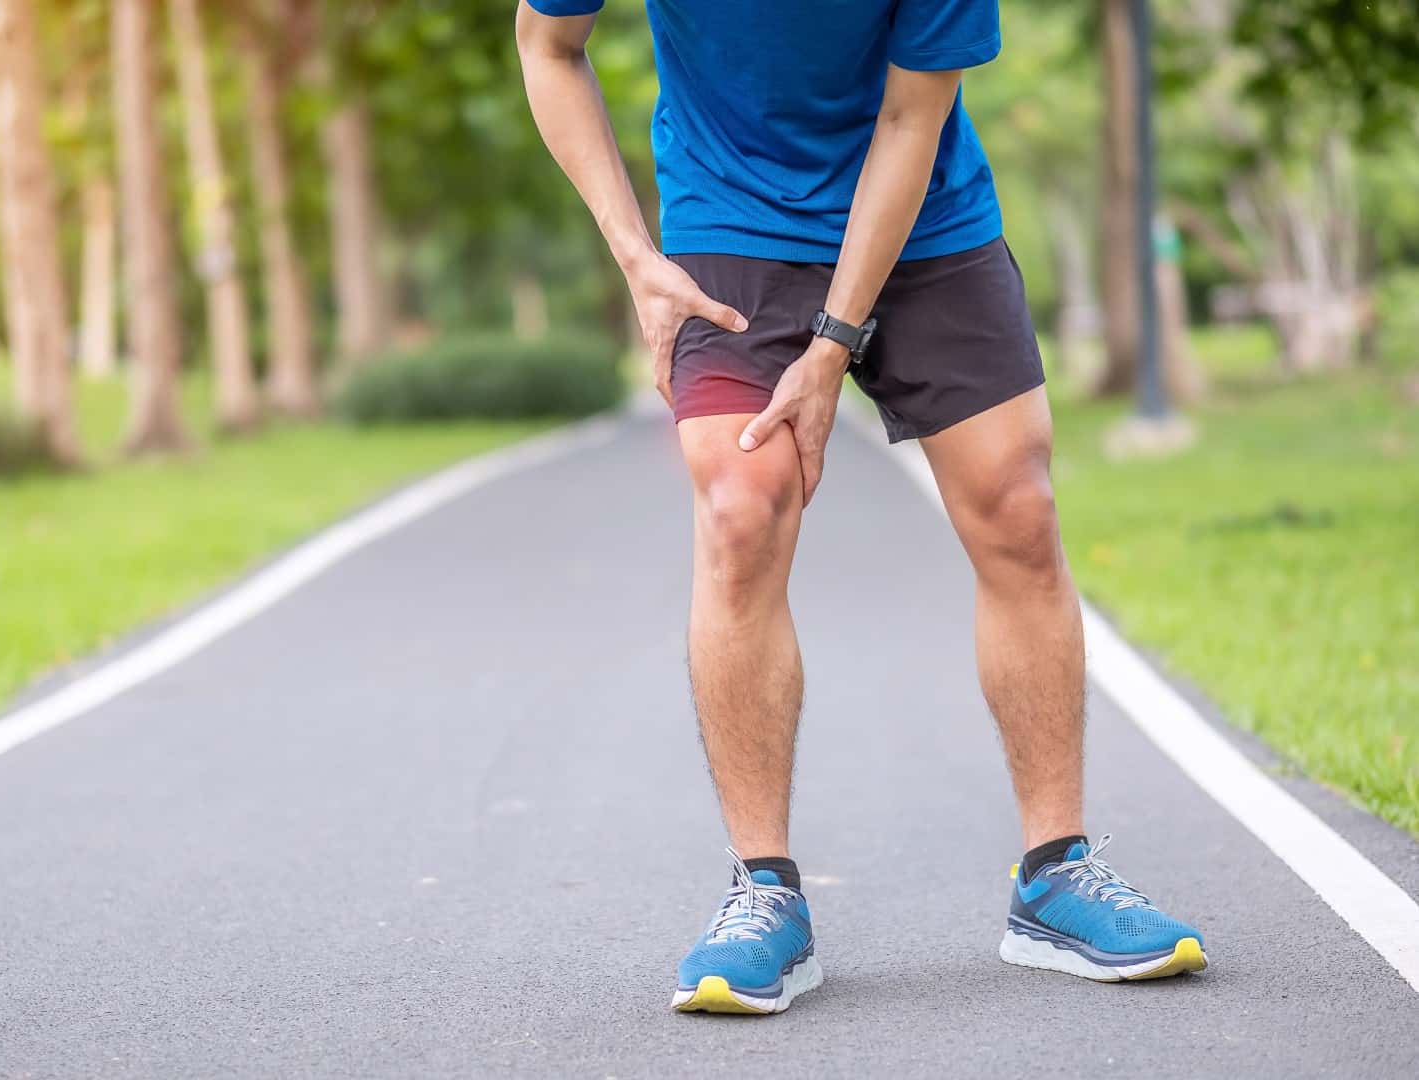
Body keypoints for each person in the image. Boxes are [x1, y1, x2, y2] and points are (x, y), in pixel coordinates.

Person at [515, 0, 1207, 1014]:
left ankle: (1055, 874)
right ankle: (764, 891)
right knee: (740, 512)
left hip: (926, 215)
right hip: (731, 222)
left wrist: (833, 345)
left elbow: (909, 119)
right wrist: (635, 257)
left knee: (1018, 509)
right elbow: (547, 44)